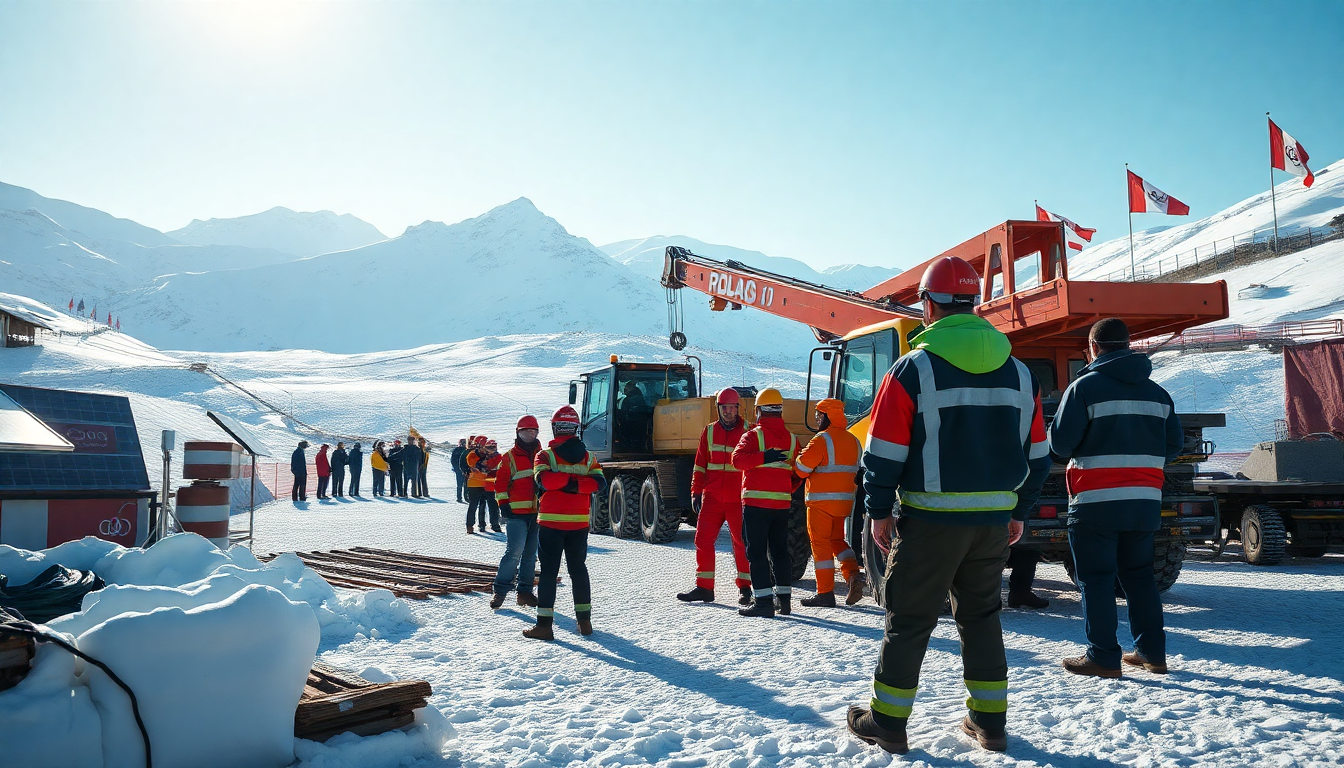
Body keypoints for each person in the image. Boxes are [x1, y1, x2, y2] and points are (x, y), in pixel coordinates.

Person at [846, 256, 1050, 755]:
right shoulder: (1021, 374)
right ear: (972, 304)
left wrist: (877, 510)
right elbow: (1040, 455)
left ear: (928, 305)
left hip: (931, 521)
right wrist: (1019, 511)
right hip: (992, 525)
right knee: (981, 616)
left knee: (909, 618)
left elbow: (883, 452)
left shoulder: (912, 369)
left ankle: (888, 723)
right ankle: (989, 722)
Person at [1048, 317, 1182, 679]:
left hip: (1095, 503)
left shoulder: (1084, 388)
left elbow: (1060, 445)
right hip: (1144, 501)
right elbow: (1174, 446)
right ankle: (1153, 654)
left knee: (1097, 579)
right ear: (1127, 346)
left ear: (1093, 348)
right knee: (1140, 579)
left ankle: (1103, 656)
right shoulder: (1158, 393)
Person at [523, 406, 607, 641]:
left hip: (551, 522)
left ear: (555, 428)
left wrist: (565, 483)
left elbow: (545, 480)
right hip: (578, 524)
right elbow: (598, 484)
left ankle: (544, 626)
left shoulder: (545, 456)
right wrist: (578, 483)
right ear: (575, 428)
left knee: (549, 573)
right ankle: (584, 622)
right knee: (578, 570)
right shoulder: (589, 457)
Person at [676, 388, 752, 607]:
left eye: (732, 408)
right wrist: (696, 492)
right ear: (718, 409)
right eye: (725, 408)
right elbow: (700, 465)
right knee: (702, 540)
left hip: (738, 499)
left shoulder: (749, 431)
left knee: (741, 543)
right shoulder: (708, 432)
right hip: (712, 499)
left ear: (738, 408)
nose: (729, 412)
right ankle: (704, 588)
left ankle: (745, 588)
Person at [731, 387, 800, 618]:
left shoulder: (753, 436)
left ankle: (763, 603)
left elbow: (737, 461)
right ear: (780, 411)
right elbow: (799, 472)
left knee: (757, 553)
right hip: (781, 506)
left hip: (756, 506)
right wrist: (787, 489)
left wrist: (762, 457)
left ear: (759, 410)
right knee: (780, 552)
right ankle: (785, 601)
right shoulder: (792, 439)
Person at [795, 398, 865, 608]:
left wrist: (797, 458)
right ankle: (853, 574)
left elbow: (801, 469)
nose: (817, 419)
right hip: (844, 503)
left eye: (818, 415)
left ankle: (824, 593)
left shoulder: (821, 440)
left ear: (826, 416)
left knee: (821, 545)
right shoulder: (854, 440)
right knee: (837, 541)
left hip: (820, 503)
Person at [491, 416, 543, 609]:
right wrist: (503, 504)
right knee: (514, 552)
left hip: (536, 513)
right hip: (515, 513)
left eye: (533, 430)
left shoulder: (543, 455)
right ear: (518, 433)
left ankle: (525, 592)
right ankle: (500, 590)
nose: (529, 434)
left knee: (530, 554)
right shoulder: (509, 457)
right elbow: (500, 483)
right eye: (525, 431)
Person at [464, 436, 489, 532]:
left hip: (485, 483)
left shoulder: (488, 455)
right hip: (474, 484)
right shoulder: (472, 455)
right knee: (473, 505)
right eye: (484, 445)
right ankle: (469, 525)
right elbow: (477, 465)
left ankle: (482, 524)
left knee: (483, 505)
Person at [451, 438, 469, 503]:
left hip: (466, 470)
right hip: (458, 470)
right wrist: (456, 468)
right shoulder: (456, 450)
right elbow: (453, 460)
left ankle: (466, 497)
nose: (463, 444)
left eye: (465, 442)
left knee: (466, 484)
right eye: (462, 442)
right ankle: (459, 497)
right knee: (459, 484)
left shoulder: (466, 450)